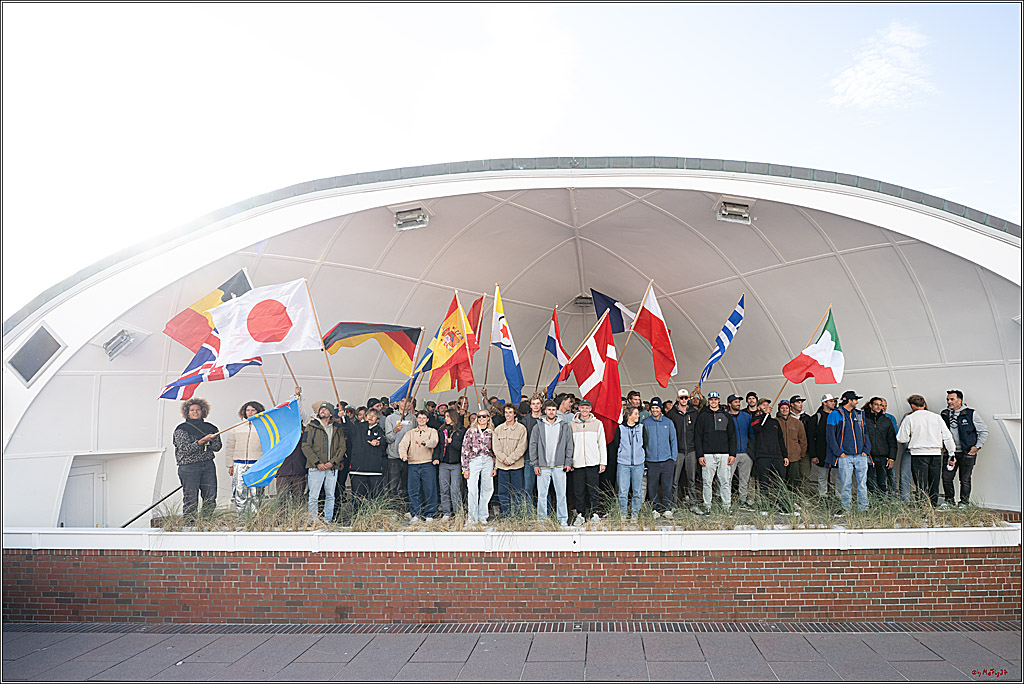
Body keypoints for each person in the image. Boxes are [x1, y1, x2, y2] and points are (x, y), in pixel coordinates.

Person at [897, 394, 956, 507]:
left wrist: (912, 439)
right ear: (924, 404)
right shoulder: (936, 417)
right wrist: (951, 453)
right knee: (934, 483)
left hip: (918, 454)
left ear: (912, 406)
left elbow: (901, 438)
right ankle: (932, 506)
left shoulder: (909, 418)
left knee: (921, 483)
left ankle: (922, 506)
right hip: (935, 454)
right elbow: (947, 436)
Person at [173, 398, 222, 525]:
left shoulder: (211, 427)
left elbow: (217, 447)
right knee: (190, 498)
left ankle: (206, 523)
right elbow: (184, 449)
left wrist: (211, 441)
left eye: (198, 410)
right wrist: (201, 441)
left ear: (203, 411)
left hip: (208, 466)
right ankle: (190, 525)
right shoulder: (181, 429)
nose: (195, 412)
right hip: (189, 467)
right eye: (192, 410)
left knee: (210, 497)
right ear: (187, 412)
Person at [940, 390, 989, 508]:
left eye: (952, 399)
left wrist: (976, 447)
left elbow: (983, 431)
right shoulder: (944, 414)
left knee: (965, 479)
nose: (949, 402)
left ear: (960, 400)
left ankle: (964, 503)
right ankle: (949, 501)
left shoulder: (971, 413)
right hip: (951, 453)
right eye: (948, 399)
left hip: (967, 452)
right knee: (946, 477)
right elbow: (940, 431)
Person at [529, 400, 574, 526]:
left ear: (556, 411)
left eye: (553, 410)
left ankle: (563, 519)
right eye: (549, 409)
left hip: (559, 465)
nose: (551, 412)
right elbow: (533, 445)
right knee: (542, 495)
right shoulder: (538, 426)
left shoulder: (564, 425)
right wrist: (535, 463)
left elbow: (569, 445)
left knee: (561, 494)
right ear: (545, 411)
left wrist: (568, 462)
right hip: (543, 466)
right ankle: (542, 520)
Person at [826, 391, 871, 514]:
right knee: (846, 484)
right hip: (844, 456)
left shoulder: (860, 415)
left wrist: (866, 450)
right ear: (849, 400)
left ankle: (864, 508)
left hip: (860, 455)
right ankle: (846, 508)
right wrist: (839, 453)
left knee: (862, 484)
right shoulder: (835, 414)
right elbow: (830, 436)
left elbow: (865, 433)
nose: (857, 402)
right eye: (855, 399)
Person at [693, 391, 737, 513]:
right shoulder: (703, 416)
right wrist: (700, 455)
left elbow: (732, 436)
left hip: (724, 454)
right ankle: (707, 506)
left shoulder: (726, 416)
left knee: (725, 481)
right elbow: (698, 437)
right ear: (708, 401)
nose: (713, 402)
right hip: (707, 454)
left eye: (715, 399)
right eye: (711, 399)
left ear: (719, 401)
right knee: (707, 481)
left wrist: (732, 454)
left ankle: (726, 506)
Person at [302, 401, 346, 522]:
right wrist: (317, 463)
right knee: (313, 496)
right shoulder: (311, 426)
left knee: (330, 495)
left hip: (332, 468)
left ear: (331, 414)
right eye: (321, 409)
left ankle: (328, 520)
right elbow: (305, 446)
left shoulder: (337, 428)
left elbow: (342, 447)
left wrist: (332, 462)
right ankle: (312, 520)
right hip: (316, 467)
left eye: (325, 410)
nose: (322, 411)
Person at [567, 399, 607, 524]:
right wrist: (570, 461)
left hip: (593, 462)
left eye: (587, 408)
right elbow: (569, 444)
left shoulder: (597, 424)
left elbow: (602, 444)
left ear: (590, 409)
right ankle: (580, 514)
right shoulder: (572, 424)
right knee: (579, 491)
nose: (584, 410)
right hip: (577, 463)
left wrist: (603, 462)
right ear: (578, 408)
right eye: (582, 408)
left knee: (594, 490)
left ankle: (595, 513)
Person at [223, 400, 266, 515]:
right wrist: (230, 465)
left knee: (256, 493)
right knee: (239, 491)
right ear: (244, 411)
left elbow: (268, 447)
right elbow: (230, 446)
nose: (250, 412)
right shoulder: (236, 427)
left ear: (258, 411)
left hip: (257, 463)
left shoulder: (264, 427)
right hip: (239, 463)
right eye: (248, 410)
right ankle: (241, 517)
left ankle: (255, 517)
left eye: (253, 410)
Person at [399, 410, 439, 522]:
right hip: (413, 464)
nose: (421, 420)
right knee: (413, 490)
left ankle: (430, 514)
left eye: (424, 418)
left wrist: (425, 443)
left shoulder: (432, 431)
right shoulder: (410, 433)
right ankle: (416, 514)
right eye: (419, 417)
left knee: (430, 489)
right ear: (416, 419)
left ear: (427, 420)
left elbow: (434, 441)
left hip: (427, 463)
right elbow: (402, 445)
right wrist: (403, 455)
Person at [642, 397, 677, 518]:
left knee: (667, 486)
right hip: (651, 461)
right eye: (653, 408)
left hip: (667, 460)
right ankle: (655, 509)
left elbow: (673, 440)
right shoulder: (645, 423)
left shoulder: (668, 422)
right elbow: (642, 441)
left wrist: (673, 457)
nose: (655, 410)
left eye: (657, 408)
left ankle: (667, 509)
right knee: (652, 486)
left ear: (661, 409)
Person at [348, 408, 387, 515]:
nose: (370, 417)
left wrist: (378, 442)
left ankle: (374, 518)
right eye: (368, 415)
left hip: (374, 470)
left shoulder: (379, 430)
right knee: (357, 497)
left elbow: (383, 440)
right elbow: (347, 427)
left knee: (375, 497)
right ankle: (358, 519)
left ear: (378, 419)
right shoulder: (357, 428)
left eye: (373, 416)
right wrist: (343, 417)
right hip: (357, 469)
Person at [750, 398, 789, 502]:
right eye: (763, 405)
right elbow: (757, 429)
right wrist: (764, 415)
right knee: (763, 481)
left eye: (767, 405)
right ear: (758, 407)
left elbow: (781, 439)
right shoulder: (756, 419)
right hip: (763, 456)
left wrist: (785, 455)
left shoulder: (775, 422)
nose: (766, 407)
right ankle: (764, 505)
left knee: (779, 481)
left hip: (776, 455)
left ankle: (782, 504)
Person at [462, 409, 496, 525]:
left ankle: (483, 515)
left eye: (484, 416)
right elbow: (465, 450)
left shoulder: (492, 432)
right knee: (472, 488)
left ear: (488, 418)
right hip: (474, 460)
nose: (481, 419)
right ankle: (472, 517)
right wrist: (465, 468)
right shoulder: (470, 431)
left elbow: (495, 449)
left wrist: (495, 467)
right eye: (479, 416)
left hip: (488, 460)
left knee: (487, 488)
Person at [493, 404, 528, 516]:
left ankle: (518, 514)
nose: (508, 415)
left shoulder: (521, 429)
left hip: (516, 466)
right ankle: (506, 514)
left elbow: (522, 447)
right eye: (506, 412)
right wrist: (504, 459)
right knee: (503, 491)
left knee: (518, 491)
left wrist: (510, 459)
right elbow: (496, 447)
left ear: (514, 414)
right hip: (502, 466)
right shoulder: (498, 429)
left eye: (510, 412)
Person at [666, 388, 698, 505]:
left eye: (686, 398)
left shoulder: (694, 413)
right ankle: (672, 504)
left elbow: (697, 432)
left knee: (692, 479)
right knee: (674, 480)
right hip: (677, 451)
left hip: (691, 450)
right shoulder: (671, 414)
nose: (684, 400)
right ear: (677, 399)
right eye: (681, 398)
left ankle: (693, 504)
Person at [435, 409, 466, 519]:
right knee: (444, 489)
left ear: (453, 417)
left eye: (448, 416)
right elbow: (438, 446)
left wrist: (452, 442)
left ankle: (458, 512)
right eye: (445, 416)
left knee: (455, 489)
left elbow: (463, 447)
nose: (446, 418)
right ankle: (446, 512)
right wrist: (436, 458)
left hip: (456, 464)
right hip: (444, 463)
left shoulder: (462, 430)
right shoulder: (442, 430)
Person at [616, 406, 646, 518]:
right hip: (623, 464)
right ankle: (623, 514)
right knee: (623, 491)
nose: (638, 416)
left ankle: (635, 513)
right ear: (629, 415)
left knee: (637, 491)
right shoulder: (620, 429)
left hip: (638, 464)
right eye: (636, 414)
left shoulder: (641, 428)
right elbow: (616, 445)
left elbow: (645, 444)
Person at [384, 398, 415, 506]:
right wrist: (395, 431)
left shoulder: (413, 418)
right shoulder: (390, 418)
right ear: (397, 403)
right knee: (393, 486)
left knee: (407, 486)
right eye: (402, 401)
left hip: (409, 456)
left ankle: (406, 510)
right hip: (394, 456)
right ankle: (393, 510)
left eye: (407, 401)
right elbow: (388, 439)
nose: (405, 403)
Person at [726, 394, 754, 508]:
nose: (738, 403)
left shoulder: (746, 416)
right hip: (731, 454)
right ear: (729, 404)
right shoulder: (725, 416)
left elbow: (751, 434)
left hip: (745, 453)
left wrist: (750, 450)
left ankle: (742, 501)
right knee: (727, 479)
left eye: (739, 401)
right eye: (735, 402)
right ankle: (726, 502)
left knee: (744, 479)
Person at [864, 397, 897, 495]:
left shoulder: (886, 420)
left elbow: (892, 440)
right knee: (869, 481)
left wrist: (891, 458)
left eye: (881, 405)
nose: (879, 407)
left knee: (882, 483)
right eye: (876, 404)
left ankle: (881, 504)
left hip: (883, 456)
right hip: (868, 456)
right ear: (871, 405)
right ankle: (870, 504)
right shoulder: (863, 419)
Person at [807, 393, 837, 499]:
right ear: (824, 403)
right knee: (822, 476)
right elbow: (810, 438)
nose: (834, 403)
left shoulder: (837, 416)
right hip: (821, 452)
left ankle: (838, 497)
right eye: (831, 401)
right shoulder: (816, 418)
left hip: (836, 452)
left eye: (834, 401)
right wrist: (813, 454)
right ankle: (823, 497)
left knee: (837, 476)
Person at [776, 400, 809, 492]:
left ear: (789, 409)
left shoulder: (797, 422)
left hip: (794, 457)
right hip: (779, 456)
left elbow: (803, 439)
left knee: (794, 480)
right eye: (782, 408)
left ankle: (794, 500)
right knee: (781, 480)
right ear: (779, 409)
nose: (784, 410)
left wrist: (801, 453)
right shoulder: (775, 422)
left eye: (786, 408)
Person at [521, 396, 545, 505]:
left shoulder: (546, 419)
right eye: (533, 403)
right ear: (530, 406)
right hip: (529, 459)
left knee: (545, 489)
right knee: (528, 488)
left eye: (538, 403)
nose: (535, 406)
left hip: (545, 459)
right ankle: (529, 514)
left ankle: (546, 513)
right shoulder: (525, 421)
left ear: (541, 405)